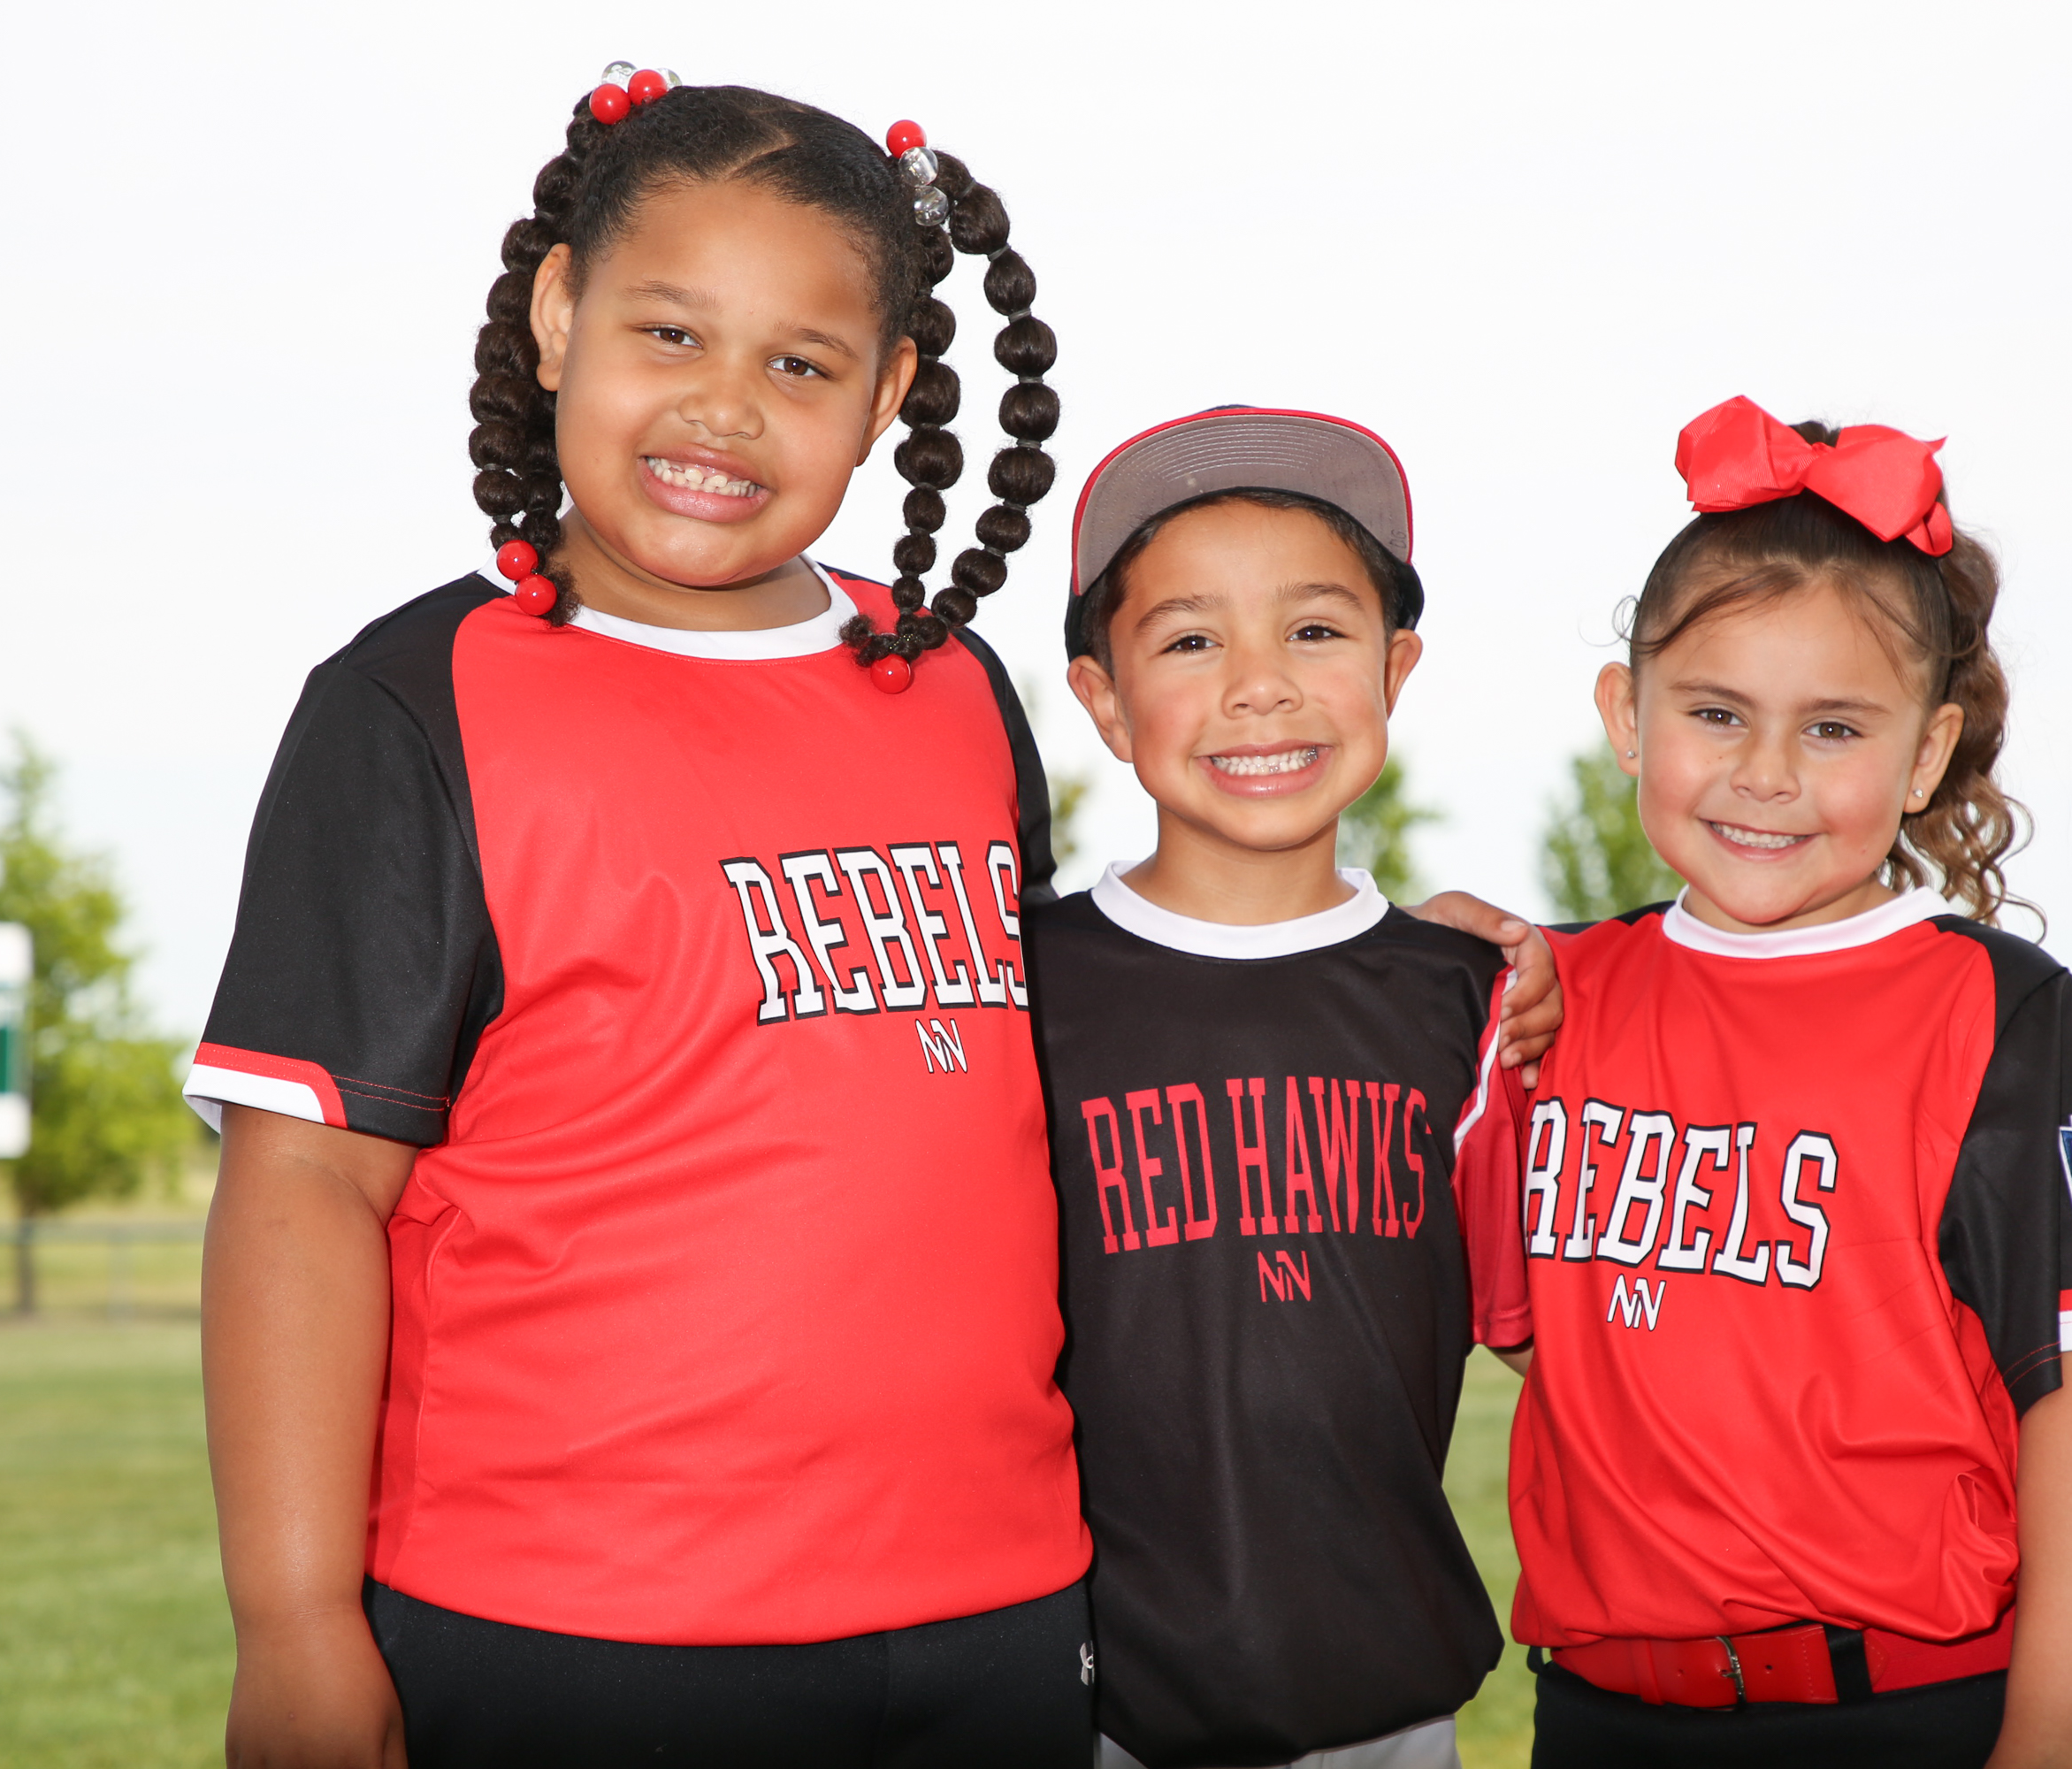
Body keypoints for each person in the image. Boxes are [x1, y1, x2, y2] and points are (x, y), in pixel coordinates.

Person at [187, 75, 1558, 1768]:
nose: (725, 409)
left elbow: (1089, 1022)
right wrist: (296, 1624)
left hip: (1001, 1613)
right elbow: (306, 1184)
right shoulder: (416, 702)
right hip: (580, 1618)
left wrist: (1405, 962)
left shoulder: (946, 687)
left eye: (801, 364)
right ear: (556, 315)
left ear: (888, 393)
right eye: (670, 333)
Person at [1504, 395, 2072, 1769]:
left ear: (1926, 752)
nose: (1765, 775)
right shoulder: (1551, 998)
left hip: (1903, 1717)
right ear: (1626, 716)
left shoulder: (2002, 1017)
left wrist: (2057, 1741)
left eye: (1833, 729)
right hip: (1596, 1718)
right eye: (1716, 713)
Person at [1035, 408, 1537, 1769]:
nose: (1261, 686)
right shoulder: (1019, 991)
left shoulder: (1473, 1000)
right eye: (1191, 641)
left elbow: (1559, 1345)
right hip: (1090, 1702)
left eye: (1315, 629)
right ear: (1103, 699)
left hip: (1387, 1706)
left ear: (1395, 667)